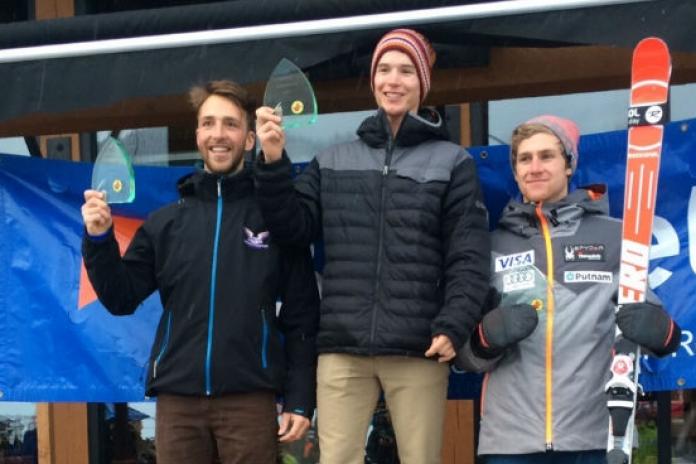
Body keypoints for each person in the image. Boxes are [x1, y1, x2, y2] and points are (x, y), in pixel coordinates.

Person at [254, 29, 490, 464]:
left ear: (423, 83)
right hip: (342, 348)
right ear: (373, 79)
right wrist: (272, 161)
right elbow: (292, 229)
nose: (393, 80)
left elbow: (468, 256)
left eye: (406, 71)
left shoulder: (452, 162)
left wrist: (454, 324)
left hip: (419, 346)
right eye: (384, 69)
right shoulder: (333, 159)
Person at [81, 80, 320, 464]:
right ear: (197, 136)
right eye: (208, 123)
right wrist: (98, 238)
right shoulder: (166, 223)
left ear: (249, 139)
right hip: (179, 403)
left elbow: (302, 316)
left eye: (230, 124)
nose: (218, 134)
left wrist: (300, 399)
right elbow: (120, 297)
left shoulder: (277, 219)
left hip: (250, 398)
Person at [456, 115, 682, 464]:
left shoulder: (615, 236)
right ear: (515, 171)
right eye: (525, 159)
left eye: (547, 156)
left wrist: (658, 329)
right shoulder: (491, 246)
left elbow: (658, 339)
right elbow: (464, 358)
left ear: (568, 165)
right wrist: (485, 339)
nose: (535, 167)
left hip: (596, 437)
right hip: (510, 442)